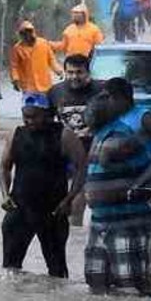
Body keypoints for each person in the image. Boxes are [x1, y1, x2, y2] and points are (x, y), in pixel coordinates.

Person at [83, 78, 151, 295]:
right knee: (98, 282)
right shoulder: (102, 133)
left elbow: (108, 157)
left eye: (106, 98)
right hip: (102, 219)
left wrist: (145, 135)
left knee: (132, 286)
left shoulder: (130, 127)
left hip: (128, 215)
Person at [0, 93, 87, 278]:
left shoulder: (64, 135)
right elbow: (4, 167)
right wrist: (5, 195)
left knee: (57, 271)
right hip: (19, 207)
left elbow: (81, 168)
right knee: (10, 269)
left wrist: (69, 199)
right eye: (25, 117)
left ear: (47, 114)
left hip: (53, 210)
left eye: (34, 117)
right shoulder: (16, 134)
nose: (29, 121)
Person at [47, 53, 105, 227]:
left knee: (78, 201)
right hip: (65, 155)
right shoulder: (55, 92)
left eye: (79, 72)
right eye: (70, 72)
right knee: (61, 199)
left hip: (94, 153)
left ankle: (75, 237)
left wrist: (94, 130)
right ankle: (69, 236)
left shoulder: (102, 91)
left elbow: (112, 119)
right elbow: (47, 123)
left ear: (88, 72)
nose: (74, 77)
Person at [10, 21, 62, 94]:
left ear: (33, 32)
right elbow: (14, 66)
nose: (27, 36)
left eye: (28, 32)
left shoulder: (43, 43)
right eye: (24, 33)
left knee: (47, 104)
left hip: (45, 85)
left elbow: (51, 59)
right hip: (28, 88)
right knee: (30, 105)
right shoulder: (17, 48)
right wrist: (15, 79)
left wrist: (58, 70)